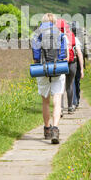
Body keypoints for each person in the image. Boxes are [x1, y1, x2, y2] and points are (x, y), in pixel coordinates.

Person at [31, 13, 68, 144]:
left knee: (45, 102)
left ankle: (47, 129)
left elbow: (35, 57)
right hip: (58, 69)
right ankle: (55, 129)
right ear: (54, 22)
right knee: (57, 100)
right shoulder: (61, 34)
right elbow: (65, 56)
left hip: (42, 70)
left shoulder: (36, 35)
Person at [56, 19, 77, 114]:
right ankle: (70, 107)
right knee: (70, 84)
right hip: (72, 62)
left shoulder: (56, 35)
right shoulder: (71, 34)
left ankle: (60, 109)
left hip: (61, 63)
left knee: (60, 86)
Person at [71, 22, 84, 108]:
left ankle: (72, 102)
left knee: (70, 83)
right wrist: (82, 68)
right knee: (76, 81)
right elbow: (80, 54)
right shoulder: (76, 39)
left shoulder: (66, 38)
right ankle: (76, 101)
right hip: (77, 63)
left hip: (69, 63)